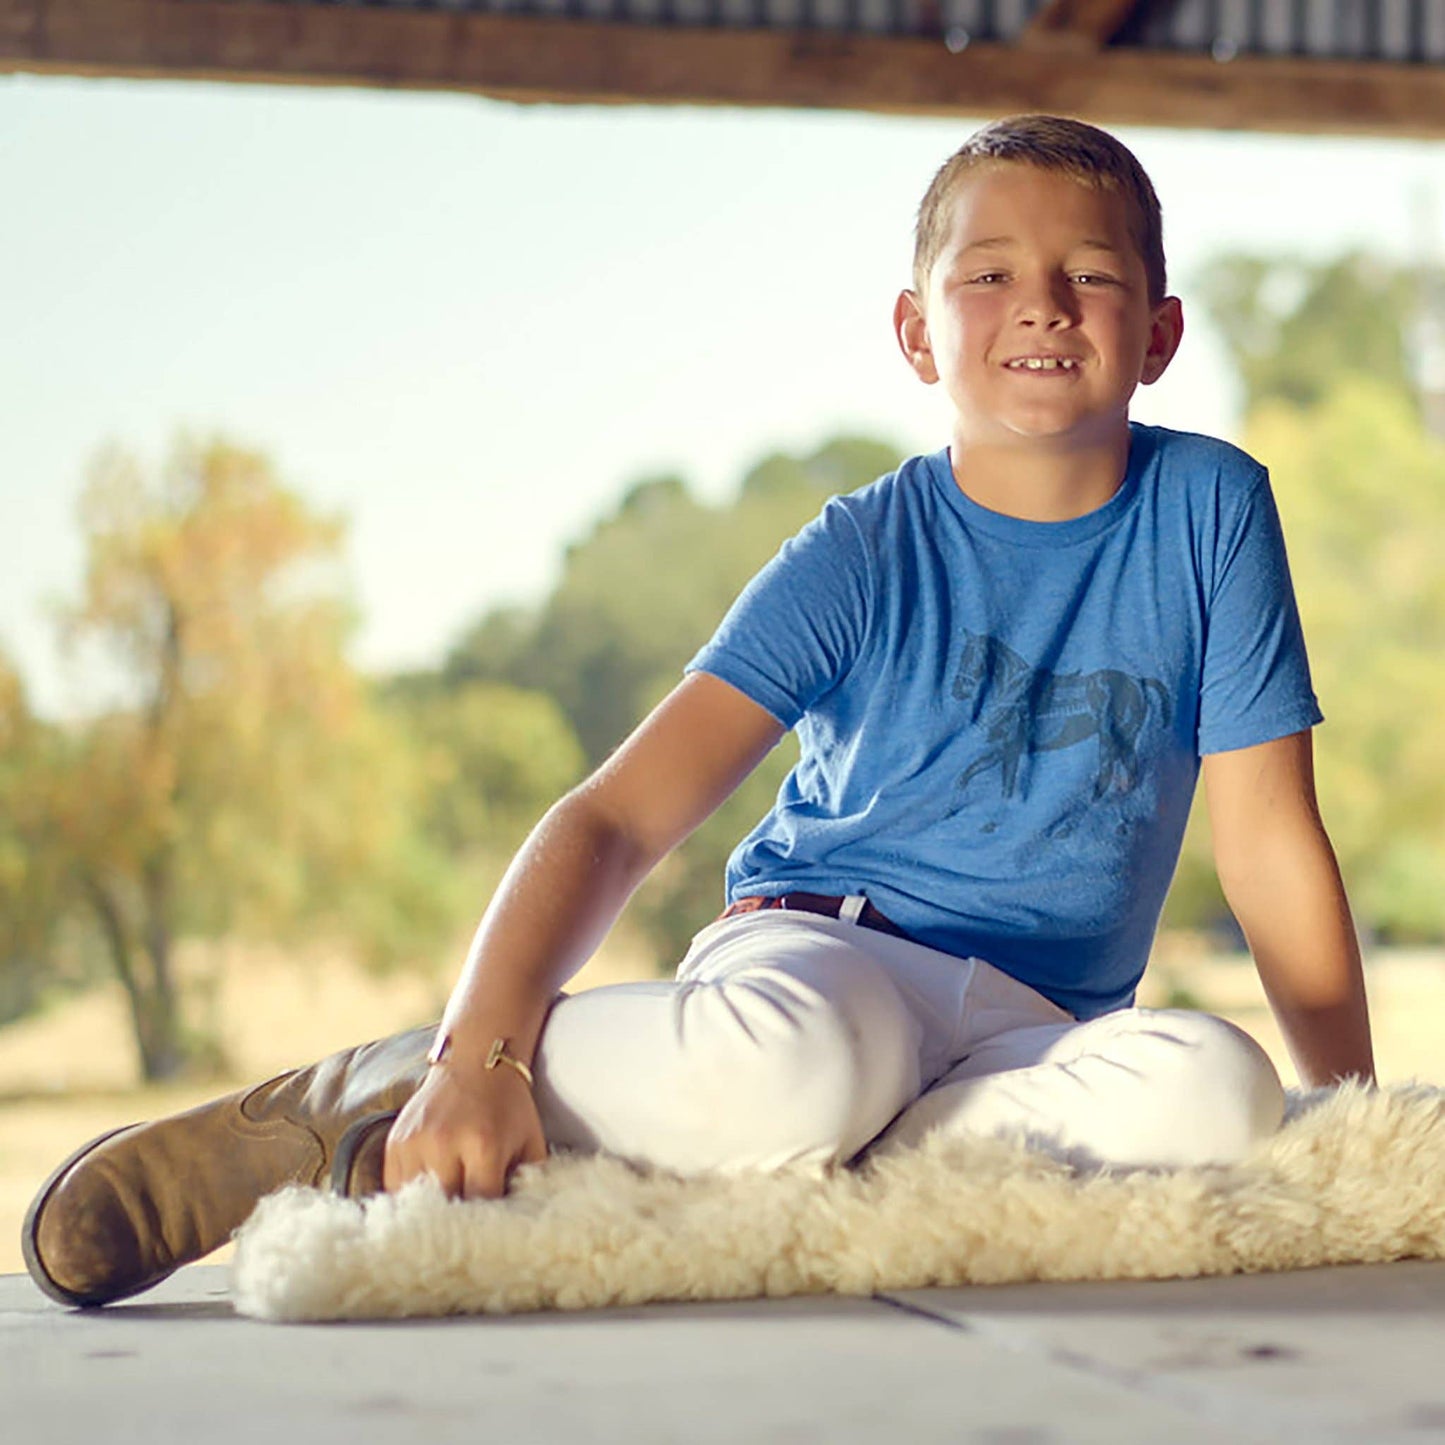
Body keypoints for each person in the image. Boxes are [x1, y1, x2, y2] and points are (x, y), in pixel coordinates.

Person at [24, 115, 1374, 1310]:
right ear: (916, 332)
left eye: (1088, 273)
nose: (1041, 304)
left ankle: (800, 1171)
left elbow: (1264, 843)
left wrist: (1351, 1127)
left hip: (1035, 1030)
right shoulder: (860, 551)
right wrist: (481, 1041)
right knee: (803, 1075)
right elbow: (615, 816)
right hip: (822, 964)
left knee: (1216, 1089)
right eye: (988, 275)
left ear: (1156, 329)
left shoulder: (1210, 510)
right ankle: (385, 1092)